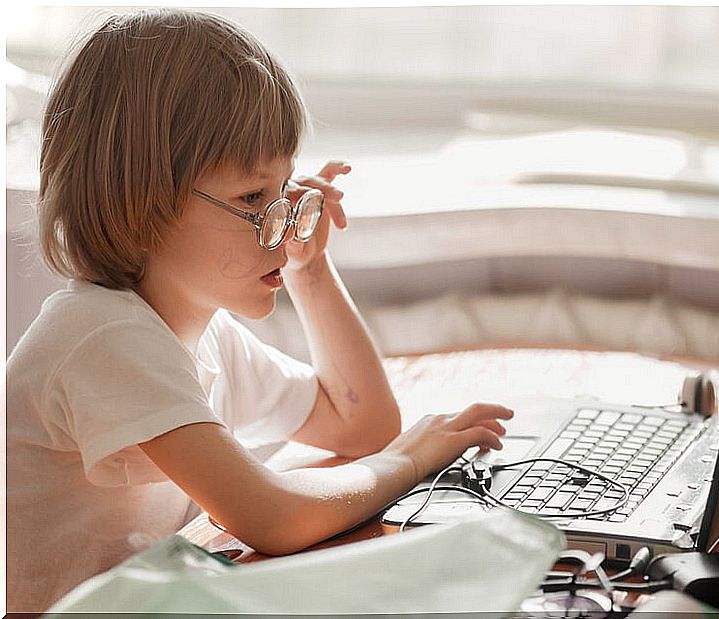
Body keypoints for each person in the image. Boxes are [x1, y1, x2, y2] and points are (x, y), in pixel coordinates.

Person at [6, 9, 512, 613]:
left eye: (286, 192)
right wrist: (407, 459)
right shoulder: (104, 336)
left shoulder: (202, 333)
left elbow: (357, 424)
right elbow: (269, 515)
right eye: (253, 198)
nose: (284, 223)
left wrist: (311, 269)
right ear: (143, 199)